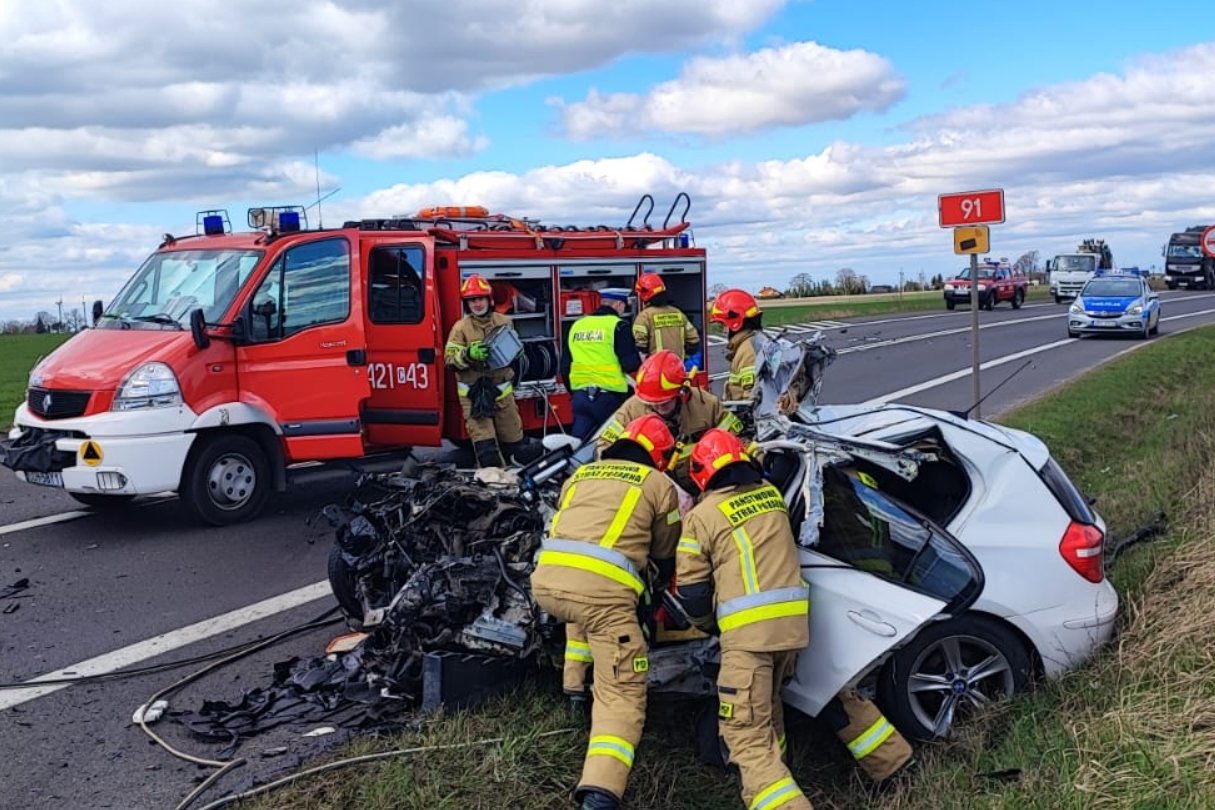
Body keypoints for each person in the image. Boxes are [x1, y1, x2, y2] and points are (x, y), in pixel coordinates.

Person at [531, 414, 682, 810]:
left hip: (547, 582)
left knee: (583, 612)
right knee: (622, 694)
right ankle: (600, 793)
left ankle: (574, 692)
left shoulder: (582, 473)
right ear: (659, 455)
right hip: (602, 596)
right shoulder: (659, 484)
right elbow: (666, 549)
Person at [673, 428, 814, 810]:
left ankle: (779, 799)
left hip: (747, 637)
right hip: (791, 630)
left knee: (744, 733)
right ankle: (780, 771)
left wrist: (707, 626)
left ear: (701, 472)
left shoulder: (701, 517)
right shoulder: (771, 496)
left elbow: (693, 593)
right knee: (767, 708)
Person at [597, 350, 742, 493]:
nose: (659, 407)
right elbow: (604, 447)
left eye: (665, 402)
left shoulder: (707, 405)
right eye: (652, 403)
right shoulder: (631, 410)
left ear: (682, 392)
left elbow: (737, 440)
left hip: (699, 487)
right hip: (651, 489)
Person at [444, 274, 532, 468]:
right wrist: (468, 355)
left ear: (489, 299)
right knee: (487, 452)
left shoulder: (505, 322)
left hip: (503, 397)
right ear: (467, 304)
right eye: (472, 300)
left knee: (516, 448)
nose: (477, 304)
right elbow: (449, 360)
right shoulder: (460, 328)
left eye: (480, 299)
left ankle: (516, 483)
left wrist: (516, 351)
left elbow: (514, 353)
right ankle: (494, 483)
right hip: (476, 399)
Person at [561, 288, 642, 442]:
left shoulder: (577, 325)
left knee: (578, 446)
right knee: (616, 444)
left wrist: (575, 393)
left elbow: (565, 367)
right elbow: (630, 364)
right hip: (609, 398)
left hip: (580, 397)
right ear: (618, 304)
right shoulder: (618, 326)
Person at [710, 289, 765, 402]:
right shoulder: (752, 342)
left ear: (735, 323)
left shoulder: (748, 352)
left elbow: (751, 401)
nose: (723, 330)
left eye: (723, 324)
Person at [632, 272, 700, 362]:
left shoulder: (644, 316)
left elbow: (640, 347)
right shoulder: (678, 313)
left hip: (656, 367)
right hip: (677, 365)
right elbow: (694, 341)